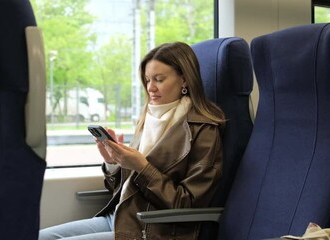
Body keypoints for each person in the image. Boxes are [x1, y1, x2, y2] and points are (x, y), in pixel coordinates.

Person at [39, 41, 225, 240]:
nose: (150, 87)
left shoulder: (204, 130)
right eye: (147, 79)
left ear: (185, 80)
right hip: (122, 216)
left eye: (159, 79)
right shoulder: (148, 117)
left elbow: (186, 204)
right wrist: (113, 163)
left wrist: (142, 167)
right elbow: (127, 190)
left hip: (156, 228)